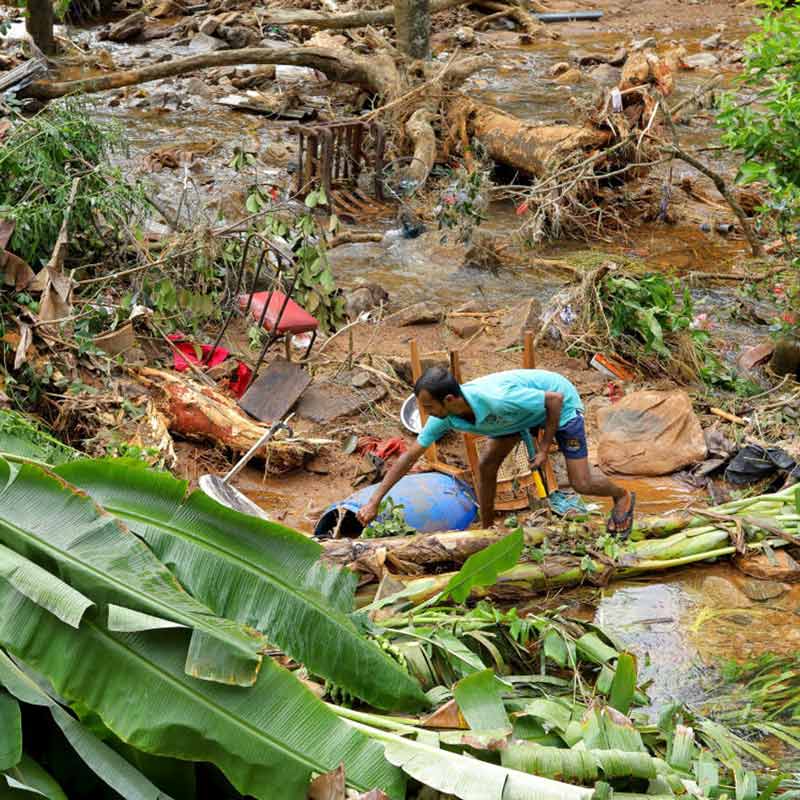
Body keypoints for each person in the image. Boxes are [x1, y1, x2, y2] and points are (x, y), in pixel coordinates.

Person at [356, 367, 635, 534]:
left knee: (581, 482)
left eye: (429, 407)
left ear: (450, 399)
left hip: (559, 406)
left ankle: (622, 496)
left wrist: (543, 447)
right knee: (487, 467)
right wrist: (374, 501)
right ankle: (487, 529)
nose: (427, 414)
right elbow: (408, 457)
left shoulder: (497, 400)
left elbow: (554, 399)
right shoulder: (446, 416)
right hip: (518, 418)